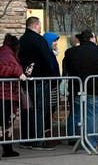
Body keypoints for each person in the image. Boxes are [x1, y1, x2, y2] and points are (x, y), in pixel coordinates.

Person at [18, 16, 59, 150]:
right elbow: (46, 60)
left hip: (25, 80)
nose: (40, 28)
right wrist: (49, 76)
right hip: (40, 80)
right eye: (40, 25)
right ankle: (38, 140)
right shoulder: (39, 40)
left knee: (27, 109)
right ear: (36, 25)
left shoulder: (22, 40)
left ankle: (26, 140)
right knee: (40, 110)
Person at [0, 34, 27, 158]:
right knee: (6, 122)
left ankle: (8, 148)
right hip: (6, 94)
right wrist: (18, 72)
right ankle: (7, 149)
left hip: (7, 94)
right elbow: (3, 69)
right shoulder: (6, 54)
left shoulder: (6, 53)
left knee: (6, 122)